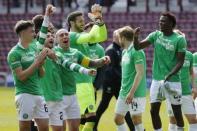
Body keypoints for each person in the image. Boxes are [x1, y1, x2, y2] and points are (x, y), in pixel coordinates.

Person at [133, 12, 187, 131]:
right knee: (153, 111)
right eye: (160, 21)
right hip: (157, 80)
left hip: (173, 81)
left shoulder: (179, 39)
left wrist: (171, 73)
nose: (160, 23)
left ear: (171, 23)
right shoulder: (155, 35)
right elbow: (138, 47)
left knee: (177, 112)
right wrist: (135, 38)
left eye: (163, 21)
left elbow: (180, 61)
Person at [7, 4, 55, 131]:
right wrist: (37, 61)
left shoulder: (34, 46)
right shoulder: (14, 53)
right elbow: (21, 77)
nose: (35, 34)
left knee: (45, 127)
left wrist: (47, 15)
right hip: (24, 95)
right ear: (22, 33)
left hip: (39, 93)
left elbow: (42, 74)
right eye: (32, 31)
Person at [54, 28, 110, 131]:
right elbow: (69, 65)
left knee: (75, 127)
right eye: (61, 35)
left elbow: (90, 63)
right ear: (56, 40)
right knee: (60, 128)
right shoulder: (55, 52)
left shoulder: (75, 52)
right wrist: (85, 71)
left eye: (66, 34)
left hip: (73, 94)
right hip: (59, 94)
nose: (65, 36)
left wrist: (102, 60)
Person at [66, 4, 107, 131]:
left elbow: (102, 37)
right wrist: (96, 21)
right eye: (80, 21)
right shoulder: (72, 36)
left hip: (86, 82)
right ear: (71, 23)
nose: (83, 23)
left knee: (83, 120)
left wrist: (100, 21)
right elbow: (91, 36)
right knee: (90, 119)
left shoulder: (81, 36)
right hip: (78, 83)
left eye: (84, 20)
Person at [94, 30, 135, 131]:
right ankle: (93, 126)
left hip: (118, 84)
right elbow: (109, 69)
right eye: (119, 35)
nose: (121, 37)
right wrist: (122, 76)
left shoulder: (119, 50)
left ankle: (133, 128)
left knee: (123, 108)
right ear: (115, 37)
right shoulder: (111, 50)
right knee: (103, 106)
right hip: (111, 85)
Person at [114, 26, 146, 131]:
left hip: (135, 93)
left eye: (119, 38)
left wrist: (131, 92)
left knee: (136, 119)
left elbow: (140, 73)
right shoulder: (124, 52)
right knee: (117, 119)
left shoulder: (137, 51)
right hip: (124, 92)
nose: (118, 40)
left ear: (122, 38)